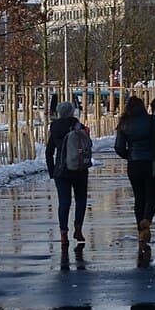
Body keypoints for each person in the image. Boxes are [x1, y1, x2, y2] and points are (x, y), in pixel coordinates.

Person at [114, 96, 155, 244]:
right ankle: (147, 220)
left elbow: (119, 147)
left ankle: (141, 230)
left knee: (139, 197)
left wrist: (129, 155)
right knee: (152, 195)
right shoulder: (153, 121)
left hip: (134, 164)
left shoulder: (124, 123)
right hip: (151, 162)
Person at [46, 101, 91, 243]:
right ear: (72, 112)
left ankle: (63, 233)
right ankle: (78, 228)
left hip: (62, 169)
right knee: (81, 199)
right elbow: (87, 145)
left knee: (64, 201)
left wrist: (52, 171)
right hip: (79, 169)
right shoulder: (78, 126)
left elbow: (49, 151)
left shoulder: (55, 127)